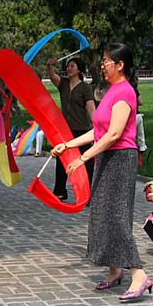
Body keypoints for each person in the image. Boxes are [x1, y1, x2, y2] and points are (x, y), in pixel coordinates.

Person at [51, 43, 153, 302]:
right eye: (103, 61)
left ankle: (139, 274)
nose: (103, 65)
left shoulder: (125, 92)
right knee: (101, 213)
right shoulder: (111, 91)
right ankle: (114, 269)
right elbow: (98, 131)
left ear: (120, 65)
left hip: (120, 159)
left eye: (107, 61)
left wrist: (82, 158)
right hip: (106, 158)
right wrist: (68, 145)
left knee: (117, 216)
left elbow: (115, 134)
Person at [38, 58, 95, 201]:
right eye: (68, 66)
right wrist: (49, 65)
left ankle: (87, 194)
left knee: (85, 161)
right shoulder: (63, 84)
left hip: (82, 130)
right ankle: (60, 191)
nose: (69, 68)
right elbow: (52, 76)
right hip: (65, 130)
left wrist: (96, 127)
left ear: (80, 70)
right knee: (62, 160)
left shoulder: (84, 88)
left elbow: (91, 108)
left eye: (72, 66)